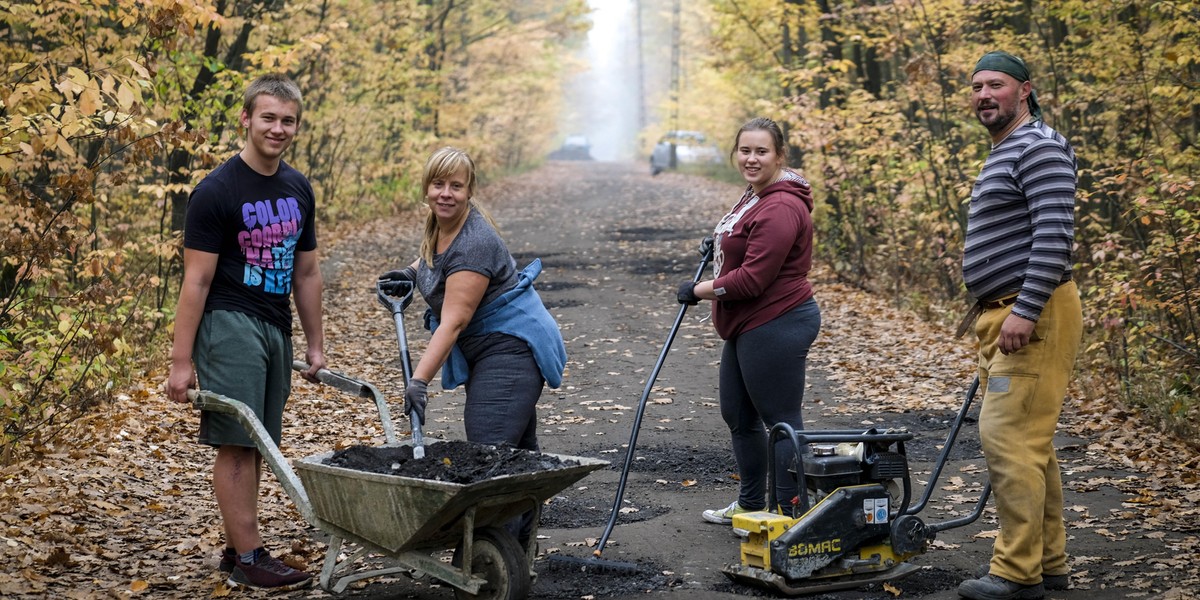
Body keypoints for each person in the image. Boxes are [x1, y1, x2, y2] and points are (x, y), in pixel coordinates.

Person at [166, 73, 324, 591]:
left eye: (287, 121)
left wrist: (315, 344)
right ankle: (253, 555)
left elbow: (305, 273)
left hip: (274, 324)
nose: (277, 128)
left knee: (258, 443)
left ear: (296, 125)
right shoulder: (217, 190)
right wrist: (180, 361)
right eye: (268, 118)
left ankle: (237, 553)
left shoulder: (298, 187)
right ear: (246, 119)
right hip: (229, 322)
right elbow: (197, 279)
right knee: (237, 441)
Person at [377, 146, 566, 544]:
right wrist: (408, 273)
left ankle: (494, 561)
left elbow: (454, 320)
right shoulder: (440, 225)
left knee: (489, 456)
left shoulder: (475, 241)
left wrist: (419, 381)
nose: (446, 193)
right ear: (426, 187)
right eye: (438, 183)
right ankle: (516, 558)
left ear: (470, 191)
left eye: (456, 186)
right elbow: (434, 260)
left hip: (511, 347)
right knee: (518, 459)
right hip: (488, 348)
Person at [956, 51, 1083, 600]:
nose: (985, 94)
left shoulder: (1040, 147)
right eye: (978, 86)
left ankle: (1016, 573)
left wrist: (1026, 310)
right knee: (1031, 443)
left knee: (1006, 438)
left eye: (997, 85)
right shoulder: (1006, 150)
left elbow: (1055, 235)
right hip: (1002, 313)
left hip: (1031, 312)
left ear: (1024, 90)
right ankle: (1048, 562)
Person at [676, 117, 821, 526]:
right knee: (738, 416)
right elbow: (744, 237)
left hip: (777, 320)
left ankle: (788, 514)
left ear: (780, 156)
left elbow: (754, 278)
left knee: (781, 422)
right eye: (745, 150)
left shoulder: (781, 205)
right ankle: (751, 504)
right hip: (748, 324)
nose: (752, 159)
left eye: (761, 151)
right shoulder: (756, 194)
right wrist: (720, 241)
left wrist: (698, 289)